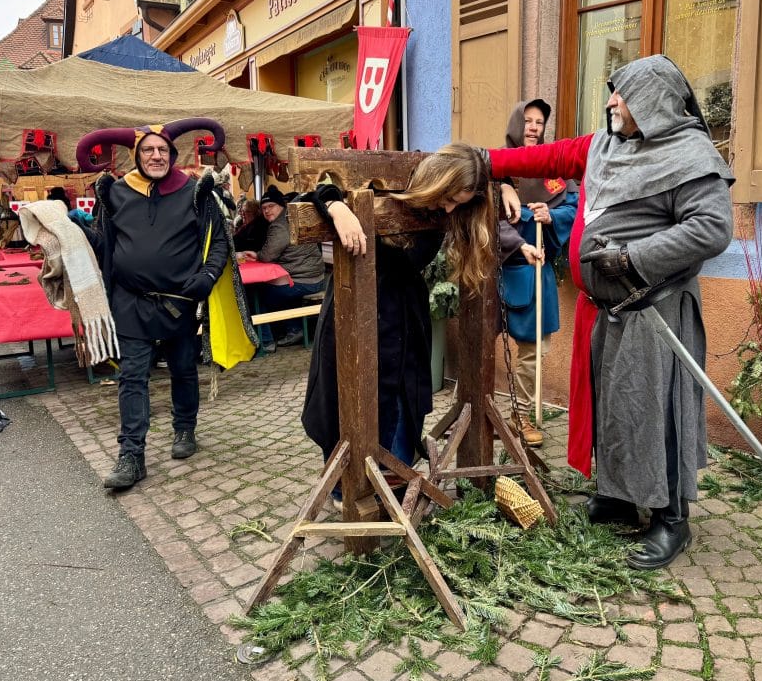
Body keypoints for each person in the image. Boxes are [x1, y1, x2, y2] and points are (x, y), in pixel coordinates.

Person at [421, 55, 734, 570]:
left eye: (622, 94)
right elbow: (547, 158)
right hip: (610, 308)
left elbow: (710, 230)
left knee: (655, 413)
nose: (611, 101)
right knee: (614, 409)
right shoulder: (606, 145)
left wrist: (634, 258)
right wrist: (485, 163)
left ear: (652, 102)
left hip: (655, 310)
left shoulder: (690, 155)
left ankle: (671, 519)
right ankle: (616, 495)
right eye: (613, 91)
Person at [301, 147, 504, 505]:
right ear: (435, 181)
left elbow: (487, 173)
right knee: (345, 398)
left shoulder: (450, 209)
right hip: (354, 307)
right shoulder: (382, 191)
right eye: (449, 198)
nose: (449, 209)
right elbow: (309, 187)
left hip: (405, 314)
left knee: (401, 398)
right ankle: (347, 488)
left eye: (460, 203)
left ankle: (393, 478)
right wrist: (336, 207)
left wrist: (508, 188)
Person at [75, 118, 236, 490]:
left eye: (162, 149)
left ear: (172, 154)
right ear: (136, 155)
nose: (155, 155)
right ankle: (132, 456)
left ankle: (185, 429)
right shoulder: (115, 193)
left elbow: (220, 240)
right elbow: (107, 247)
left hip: (179, 301)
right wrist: (79, 232)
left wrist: (208, 277)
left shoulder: (195, 191)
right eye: (148, 149)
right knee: (131, 377)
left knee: (182, 369)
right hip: (130, 302)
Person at [497, 98, 577, 448]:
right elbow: (485, 218)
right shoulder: (499, 167)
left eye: (539, 122)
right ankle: (496, 411)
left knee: (535, 350)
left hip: (539, 271)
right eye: (527, 120)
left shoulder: (552, 169)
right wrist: (517, 237)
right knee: (503, 346)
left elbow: (574, 207)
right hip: (504, 269)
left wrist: (551, 216)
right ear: (517, 123)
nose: (533, 127)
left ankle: (521, 412)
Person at [239, 185, 325, 349]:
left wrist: (259, 255)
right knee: (278, 290)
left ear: (281, 205)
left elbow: (268, 256)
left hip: (304, 280)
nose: (266, 211)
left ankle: (266, 341)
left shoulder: (280, 225)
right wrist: (258, 254)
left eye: (271, 206)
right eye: (264, 208)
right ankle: (293, 329)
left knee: (257, 293)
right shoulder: (292, 218)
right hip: (315, 277)